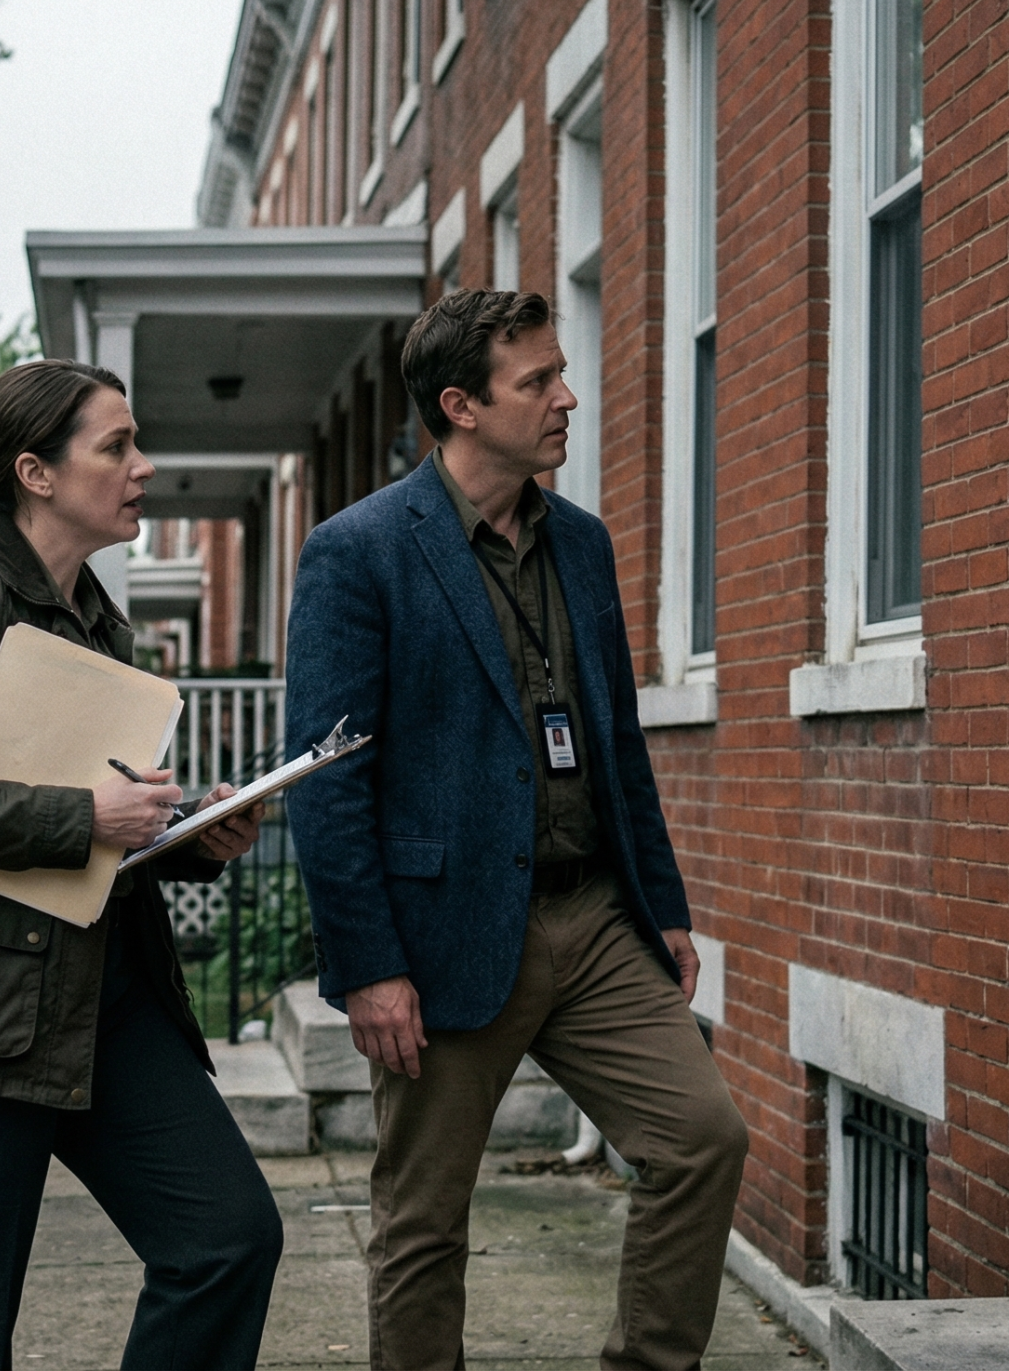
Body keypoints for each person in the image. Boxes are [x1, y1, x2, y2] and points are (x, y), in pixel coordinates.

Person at [283, 289, 749, 1371]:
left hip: (592, 917)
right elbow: (328, 780)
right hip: (440, 933)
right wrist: (367, 967)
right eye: (537, 380)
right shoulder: (359, 551)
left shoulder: (579, 544)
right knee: (422, 1220)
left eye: (559, 373)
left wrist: (663, 907)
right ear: (460, 405)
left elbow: (616, 741)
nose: (565, 397)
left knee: (700, 1141)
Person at [0, 358, 281, 1369]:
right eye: (115, 446)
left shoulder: (96, 619)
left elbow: (95, 830)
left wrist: (181, 836)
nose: (142, 466)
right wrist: (88, 815)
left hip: (94, 998)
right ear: (35, 470)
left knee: (225, 1238)